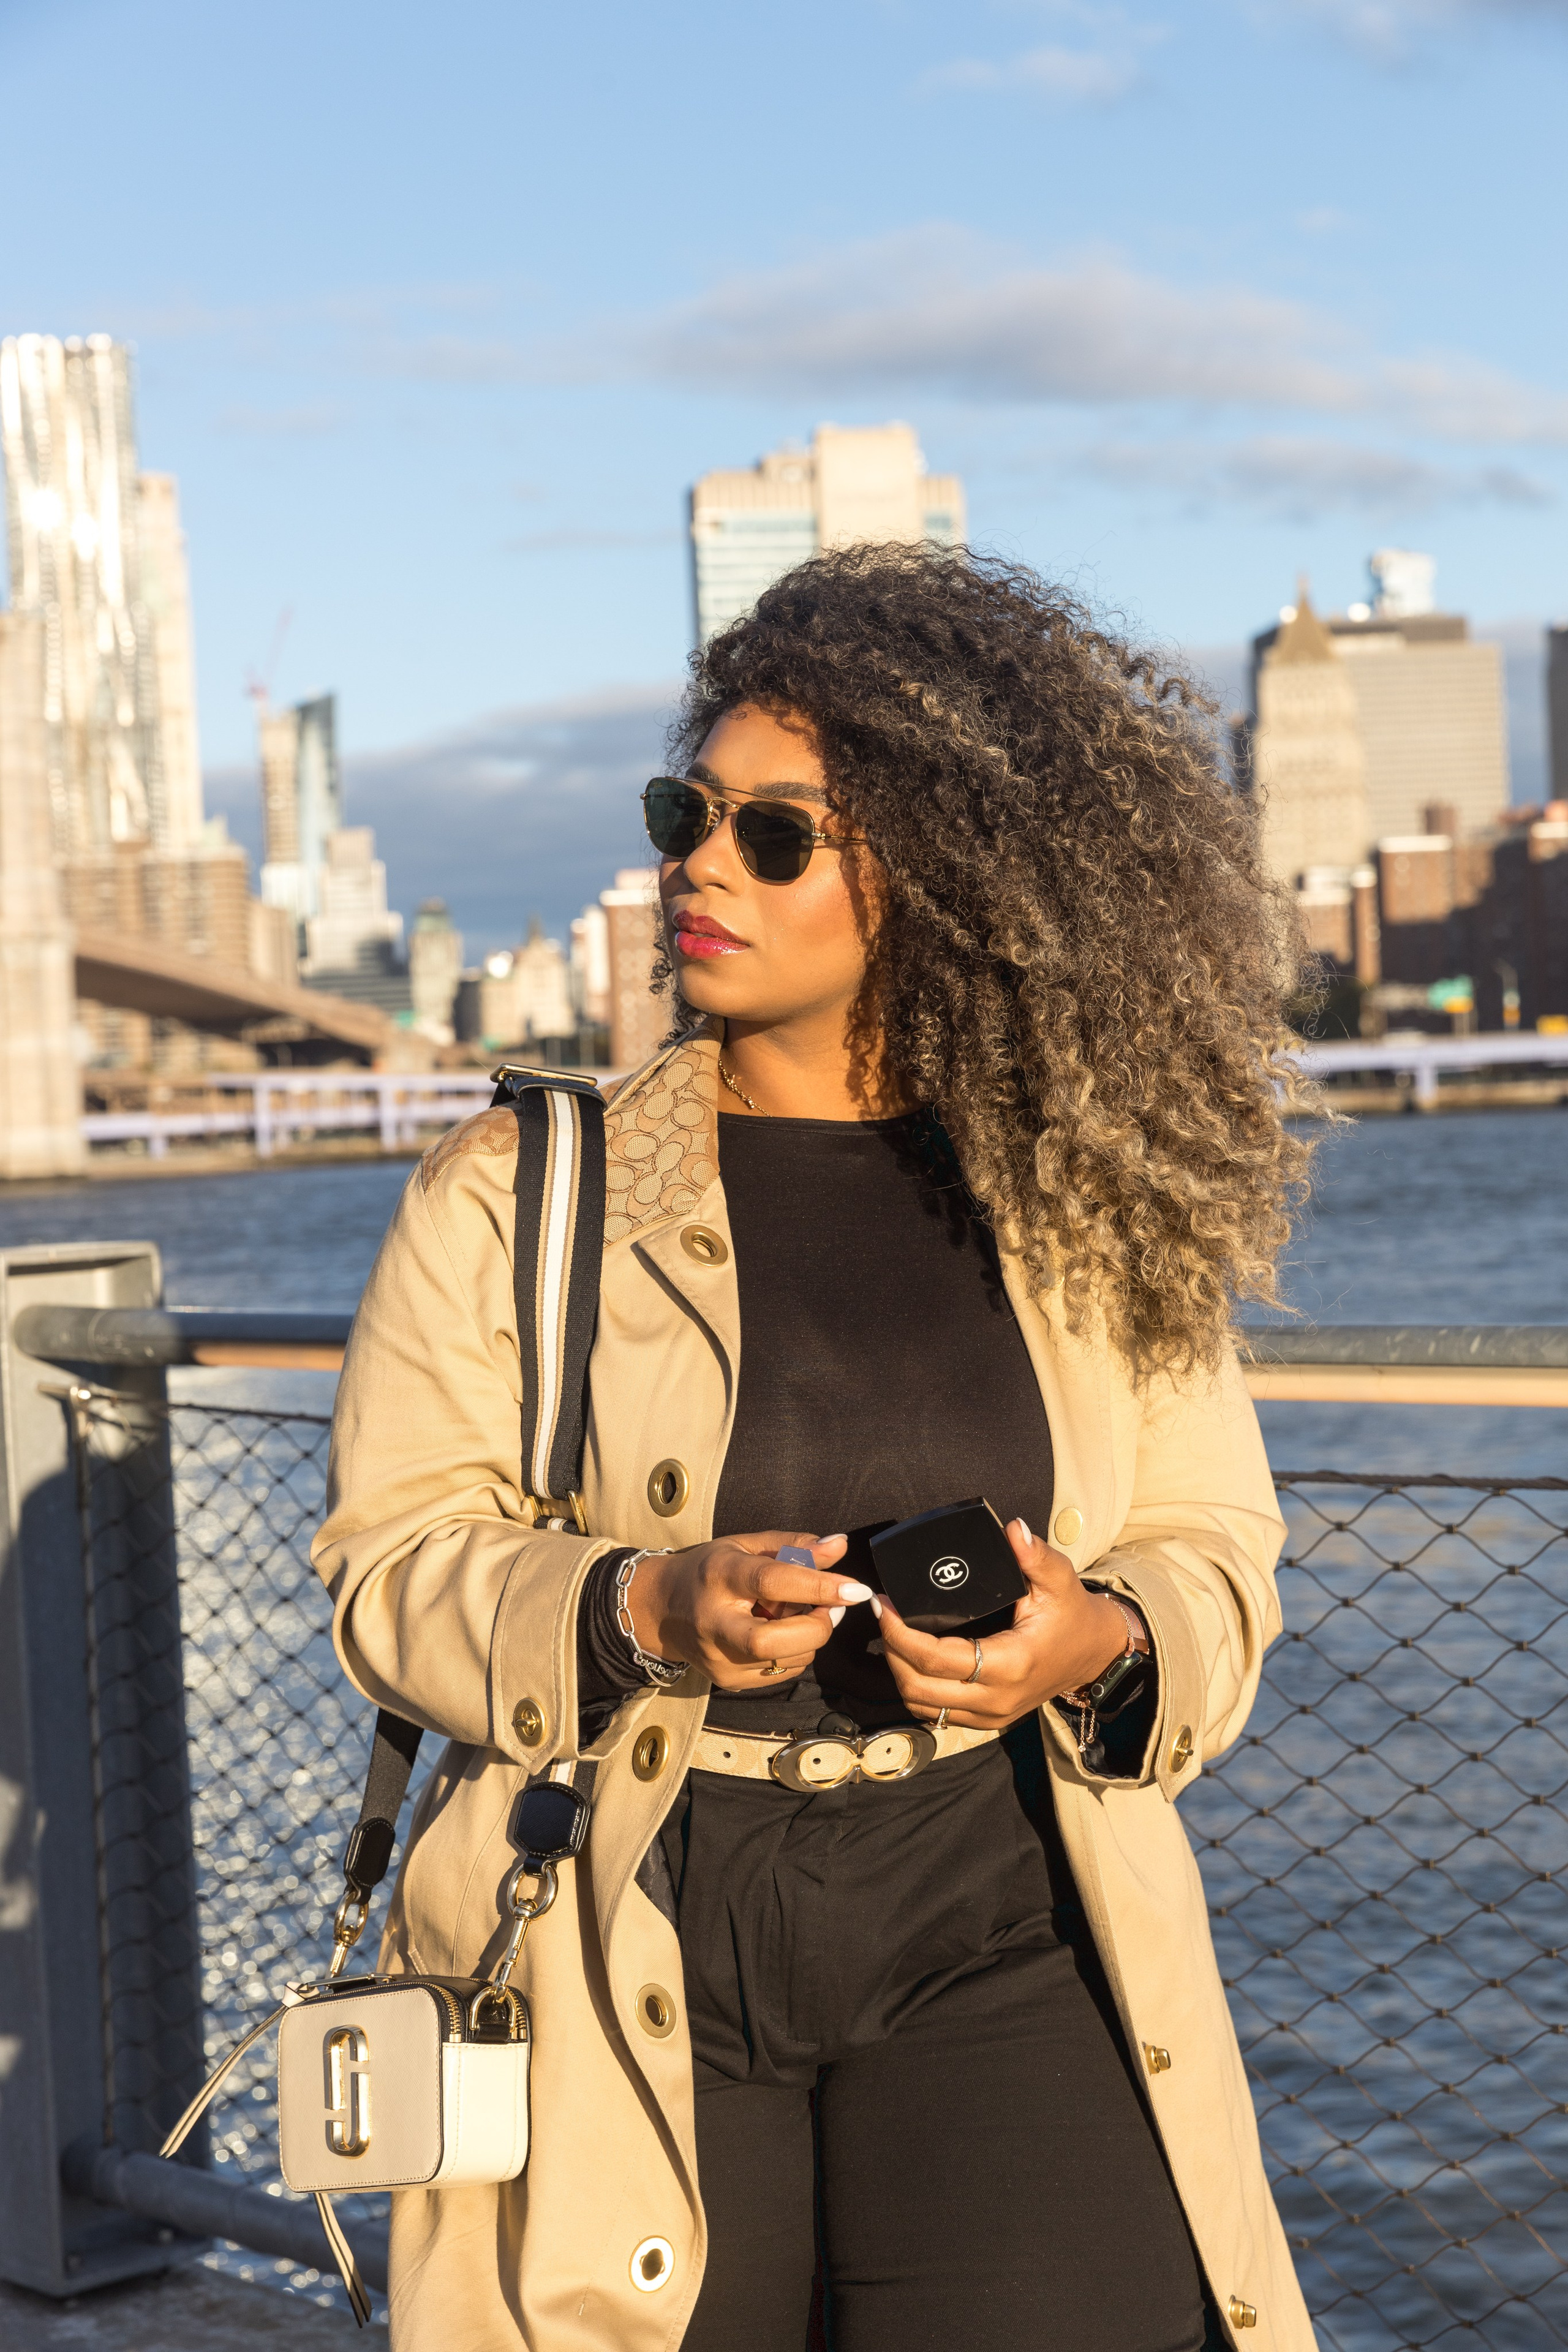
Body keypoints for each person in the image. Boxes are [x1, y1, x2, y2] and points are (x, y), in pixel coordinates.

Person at [314, 545, 1317, 2352]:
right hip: (628, 1914)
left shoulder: (1083, 1196)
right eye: (686, 814)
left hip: (1002, 1902)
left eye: (776, 836)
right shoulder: (519, 1193)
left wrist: (1098, 1639)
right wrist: (641, 1609)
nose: (701, 863)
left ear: (938, 873)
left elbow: (1209, 1538)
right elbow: (391, 1563)